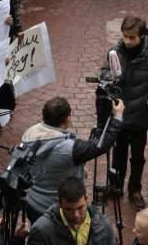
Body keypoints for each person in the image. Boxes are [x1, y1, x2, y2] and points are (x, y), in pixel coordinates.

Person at [22, 96, 124, 224]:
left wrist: (78, 167)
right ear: (67, 118)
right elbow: (103, 144)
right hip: (61, 212)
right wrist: (118, 116)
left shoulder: (30, 134)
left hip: (34, 205)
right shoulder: (70, 149)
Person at [101, 15, 148, 211]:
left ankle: (135, 189)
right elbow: (103, 74)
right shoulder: (114, 51)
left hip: (140, 115)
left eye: (132, 37)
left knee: (137, 156)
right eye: (125, 36)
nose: (127, 41)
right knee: (118, 153)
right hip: (119, 114)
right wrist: (109, 77)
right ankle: (116, 186)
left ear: (142, 36)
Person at [28, 176, 115, 245]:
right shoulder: (42, 231)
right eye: (69, 209)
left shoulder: (104, 224)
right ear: (60, 203)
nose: (76, 215)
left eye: (80, 208)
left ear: (87, 198)